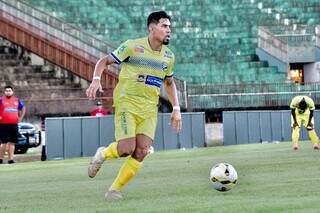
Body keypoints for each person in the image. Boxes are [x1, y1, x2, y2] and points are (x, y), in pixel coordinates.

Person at [86, 11, 182, 200]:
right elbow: (104, 61)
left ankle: (113, 190)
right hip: (127, 103)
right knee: (126, 149)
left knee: (142, 151)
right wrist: (96, 79)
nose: (168, 30)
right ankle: (102, 154)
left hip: (149, 109)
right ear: (151, 28)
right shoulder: (132, 46)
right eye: (164, 26)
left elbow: (169, 83)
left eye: (170, 27)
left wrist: (176, 109)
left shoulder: (168, 57)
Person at [0, 86, 26, 164]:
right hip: (3, 124)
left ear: (12, 92)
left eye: (10, 90)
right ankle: (0, 159)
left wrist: (20, 118)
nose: (8, 92)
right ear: (4, 92)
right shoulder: (1, 100)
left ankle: (10, 159)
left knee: (12, 142)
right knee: (3, 143)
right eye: (7, 91)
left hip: (14, 124)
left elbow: (23, 108)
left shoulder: (16, 100)